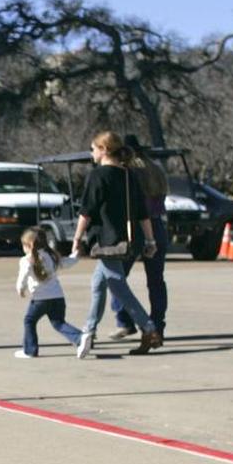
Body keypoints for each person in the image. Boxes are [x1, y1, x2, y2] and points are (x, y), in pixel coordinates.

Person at [70, 131, 162, 358]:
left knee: (118, 285)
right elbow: (143, 213)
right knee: (98, 284)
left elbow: (87, 211)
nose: (92, 153)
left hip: (107, 241)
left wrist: (76, 238)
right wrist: (150, 240)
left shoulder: (98, 175)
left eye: (93, 149)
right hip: (130, 240)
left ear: (103, 150)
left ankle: (149, 329)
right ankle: (89, 332)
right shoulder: (130, 176)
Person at [109, 136, 170, 343]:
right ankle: (158, 324)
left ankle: (125, 319)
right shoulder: (156, 171)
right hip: (158, 225)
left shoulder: (129, 174)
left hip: (135, 228)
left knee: (116, 278)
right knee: (156, 281)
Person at [14, 227, 83, 358]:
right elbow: (66, 263)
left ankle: (30, 350)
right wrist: (76, 255)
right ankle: (81, 338)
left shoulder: (26, 260)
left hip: (40, 300)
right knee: (59, 323)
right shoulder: (52, 256)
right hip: (58, 297)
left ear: (28, 245)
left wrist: (20, 289)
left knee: (29, 321)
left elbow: (22, 276)